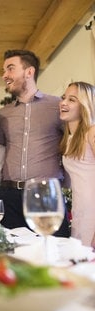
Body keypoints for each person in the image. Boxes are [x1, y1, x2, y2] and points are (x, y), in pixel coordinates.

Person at [0, 50, 70, 237]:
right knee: (12, 256)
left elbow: (72, 146)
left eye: (10, 69)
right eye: (4, 70)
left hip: (46, 194)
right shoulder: (3, 114)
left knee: (53, 253)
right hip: (9, 195)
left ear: (29, 72)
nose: (5, 75)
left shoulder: (58, 106)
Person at [59, 81, 95, 246]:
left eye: (72, 100)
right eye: (64, 98)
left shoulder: (92, 132)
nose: (63, 103)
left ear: (85, 105)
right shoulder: (69, 139)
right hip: (80, 213)